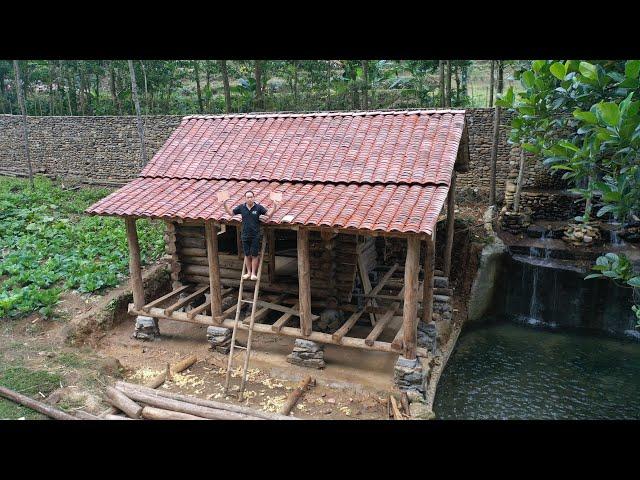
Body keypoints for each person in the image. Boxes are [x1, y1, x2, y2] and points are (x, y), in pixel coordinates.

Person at [222, 190, 279, 281]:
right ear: (245, 198)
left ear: (254, 198)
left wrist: (275, 206)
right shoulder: (241, 207)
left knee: (255, 255)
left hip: (255, 235)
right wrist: (224, 204)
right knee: (247, 254)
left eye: (251, 197)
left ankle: (253, 274)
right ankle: (248, 272)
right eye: (248, 197)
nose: (249, 199)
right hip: (244, 235)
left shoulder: (258, 208)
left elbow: (268, 214)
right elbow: (231, 213)